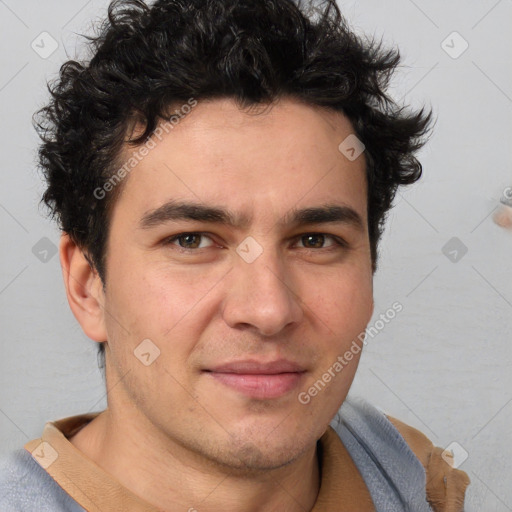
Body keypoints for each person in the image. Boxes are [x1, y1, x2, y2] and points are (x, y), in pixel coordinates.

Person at [0, 0, 471, 510]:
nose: (268, 310)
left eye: (315, 240)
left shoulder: (411, 474)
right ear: (87, 285)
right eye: (192, 240)